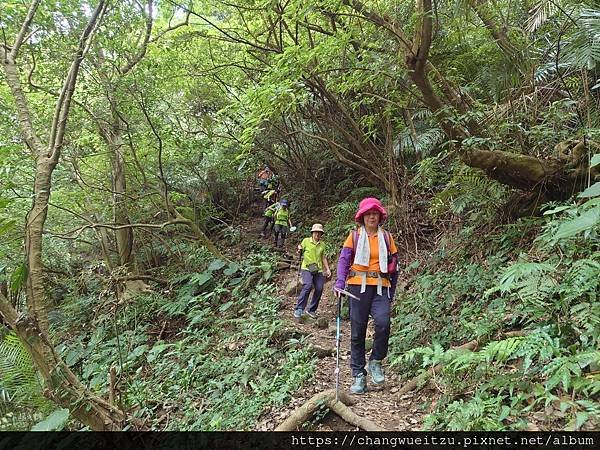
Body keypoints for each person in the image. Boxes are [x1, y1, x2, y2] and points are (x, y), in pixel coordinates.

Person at [333, 197, 399, 394]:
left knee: (383, 323)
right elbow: (344, 260)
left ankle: (376, 361)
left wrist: (391, 291)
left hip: (380, 287)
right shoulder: (354, 236)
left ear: (380, 216)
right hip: (356, 287)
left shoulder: (386, 237)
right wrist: (339, 282)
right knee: (357, 331)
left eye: (375, 213)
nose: (372, 216)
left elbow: (394, 266)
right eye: (368, 213)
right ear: (362, 216)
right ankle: (358, 375)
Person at [294, 224, 331, 319]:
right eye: (316, 232)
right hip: (306, 267)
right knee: (308, 285)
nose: (317, 234)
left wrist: (327, 269)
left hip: (317, 269)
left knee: (319, 288)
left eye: (319, 233)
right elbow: (300, 249)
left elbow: (323, 257)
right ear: (312, 233)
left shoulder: (322, 244)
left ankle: (311, 309)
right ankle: (299, 308)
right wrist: (299, 249)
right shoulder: (306, 241)